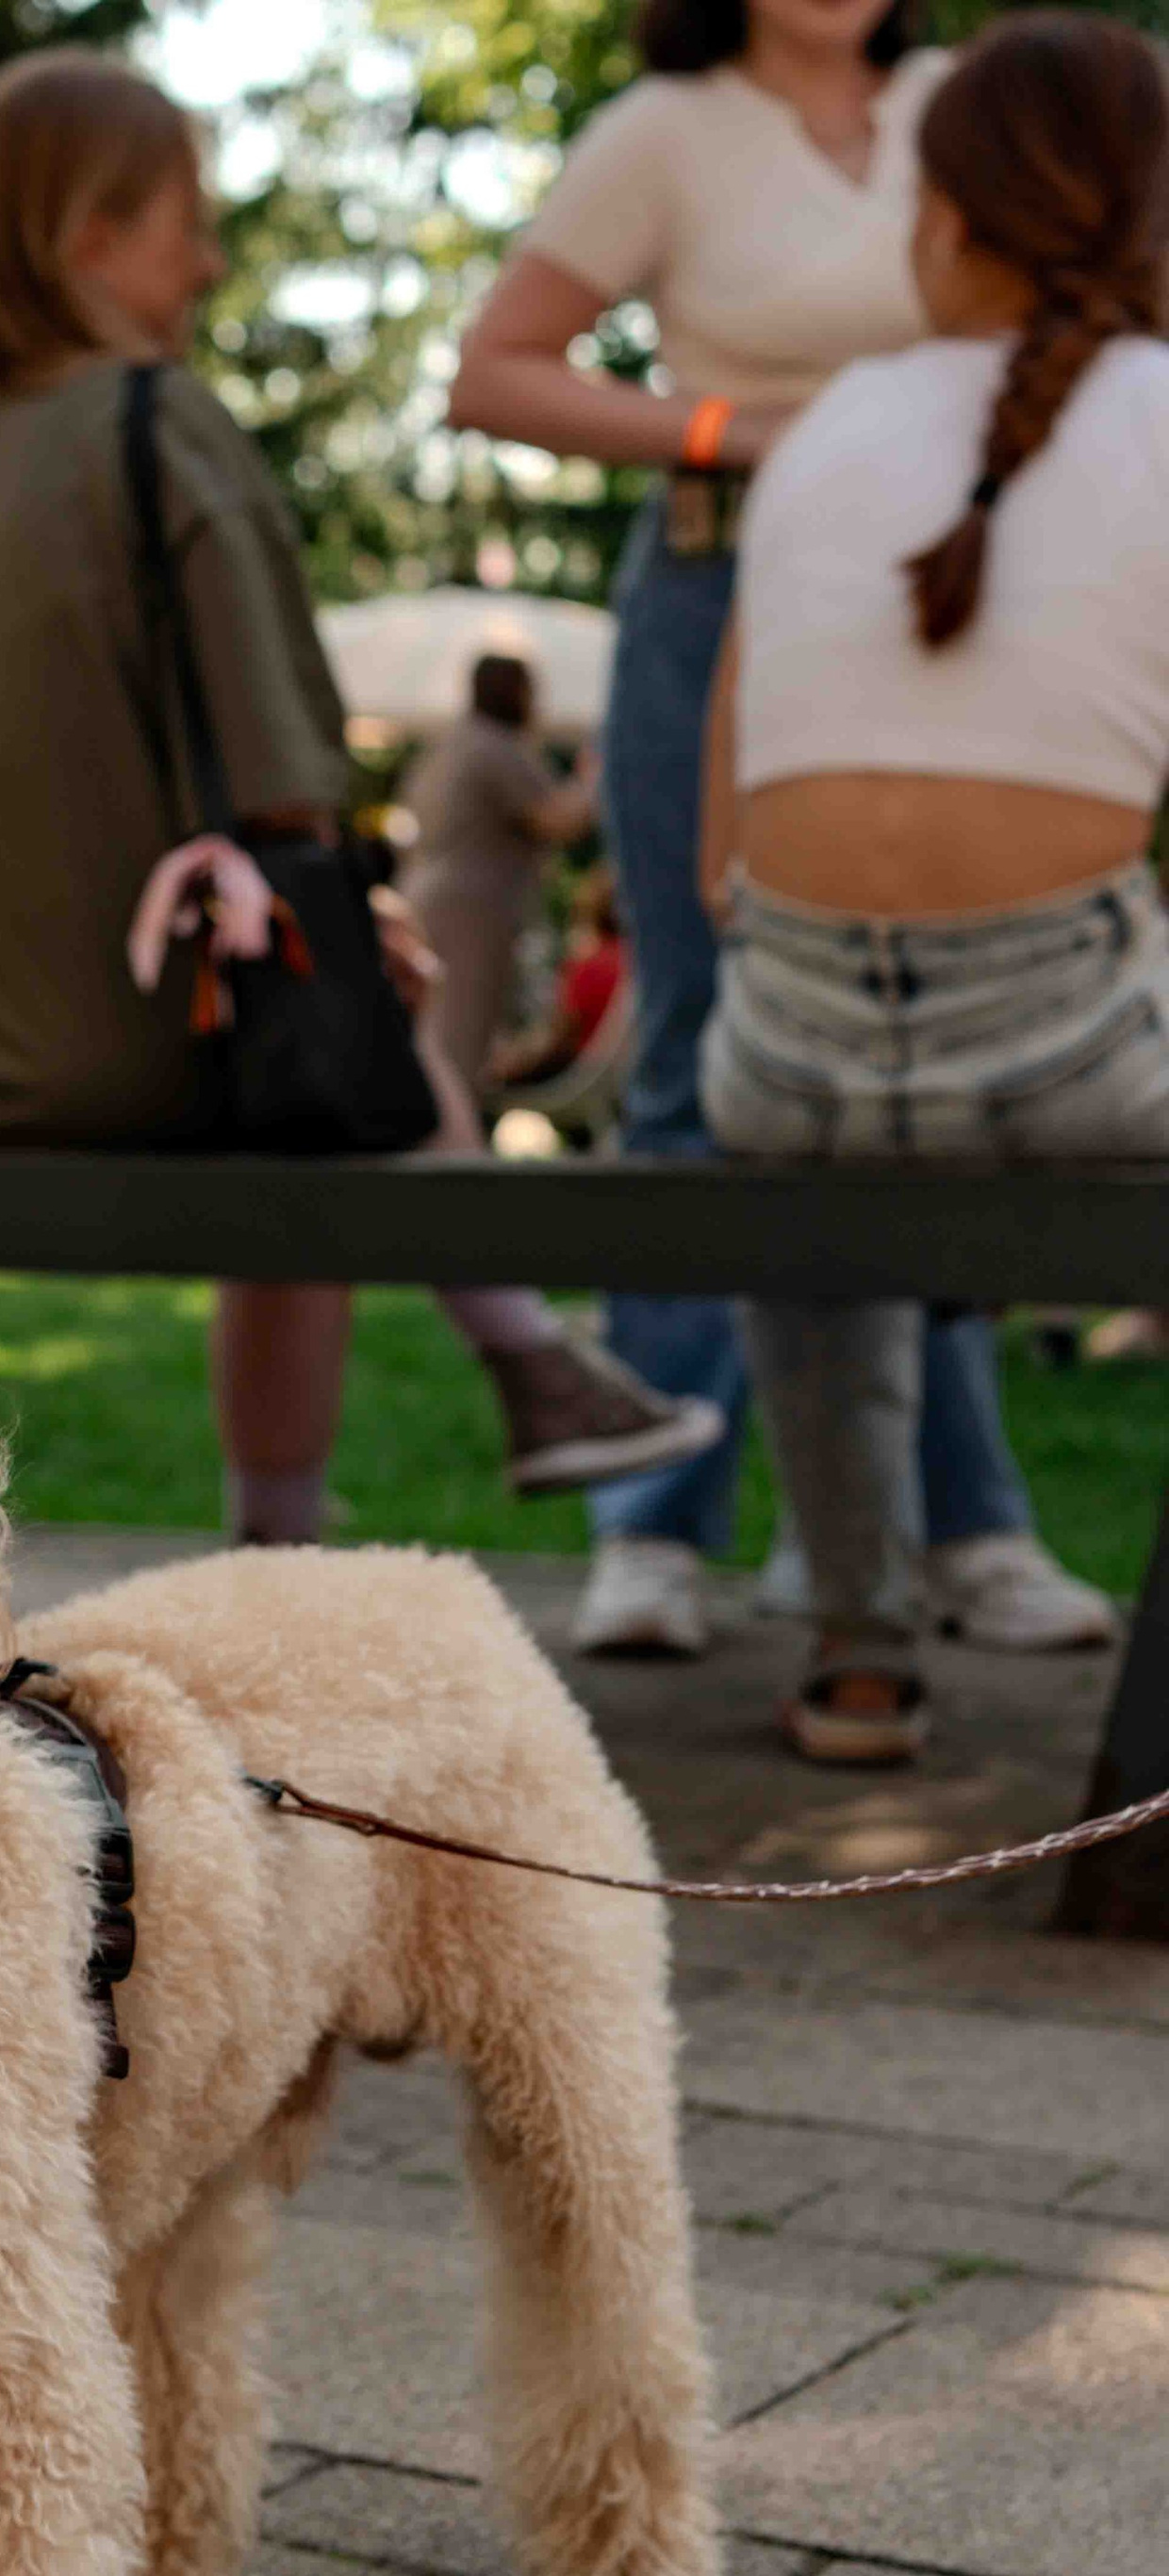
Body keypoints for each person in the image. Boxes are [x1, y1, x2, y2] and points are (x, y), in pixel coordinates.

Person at [0, 49, 721, 1542]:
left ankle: (513, 1386)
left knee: (310, 1016)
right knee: (320, 1038)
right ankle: (340, 1498)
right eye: (186, 220)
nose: (212, 259)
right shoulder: (150, 417)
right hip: (110, 1059)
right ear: (87, 240)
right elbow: (286, 767)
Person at [449, 0, 1104, 1668]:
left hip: (972, 568)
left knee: (911, 1047)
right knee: (702, 1044)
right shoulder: (665, 129)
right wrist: (745, 436)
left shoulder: (965, 101)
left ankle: (965, 1528)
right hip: (721, 572)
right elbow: (492, 370)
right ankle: (657, 1528)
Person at [699, 13, 1165, 1765]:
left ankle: (860, 1647)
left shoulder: (821, 430)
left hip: (795, 1047)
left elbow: (722, 842)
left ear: (949, 219)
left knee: (813, 1210)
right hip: (1073, 1047)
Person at [400, 653, 598, 1090]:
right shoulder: (495, 746)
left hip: (424, 899)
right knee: (460, 1044)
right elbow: (561, 820)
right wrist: (596, 778)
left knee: (431, 1037)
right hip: (469, 913)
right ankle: (453, 1152)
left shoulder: (449, 744)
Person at [499, 866, 626, 1086]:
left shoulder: (588, 965)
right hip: (617, 1076)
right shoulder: (631, 964)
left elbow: (561, 1034)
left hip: (577, 1075)